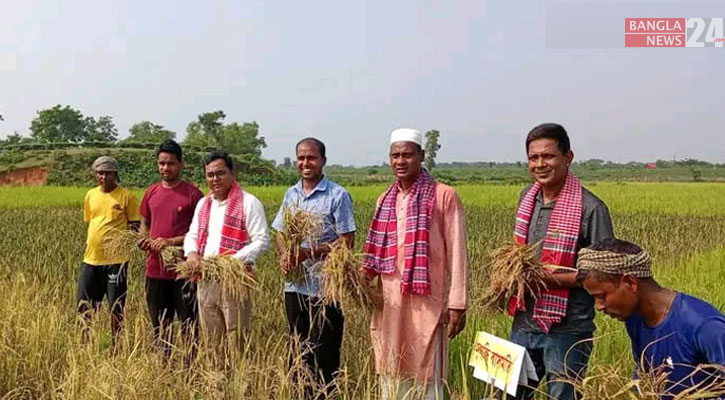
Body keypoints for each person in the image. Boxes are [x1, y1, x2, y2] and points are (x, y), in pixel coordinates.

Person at [508, 123, 614, 400]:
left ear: (568, 158)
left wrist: (545, 278)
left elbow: (603, 275)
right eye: (534, 158)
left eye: (549, 156)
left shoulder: (591, 209)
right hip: (523, 324)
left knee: (563, 397)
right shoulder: (526, 199)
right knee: (508, 395)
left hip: (568, 330)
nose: (540, 164)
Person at [363, 128, 468, 400]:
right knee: (391, 364)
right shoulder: (384, 200)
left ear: (421, 156)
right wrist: (359, 282)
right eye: (395, 155)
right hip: (389, 299)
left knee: (427, 366)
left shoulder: (444, 195)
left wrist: (457, 303)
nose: (401, 161)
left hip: (428, 299)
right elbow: (373, 254)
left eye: (407, 154)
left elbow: (457, 252)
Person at [578, 238, 725, 400]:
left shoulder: (704, 325)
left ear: (630, 282)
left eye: (601, 296)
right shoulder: (635, 320)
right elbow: (643, 378)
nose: (598, 306)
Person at [272, 137, 356, 399]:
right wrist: (286, 253)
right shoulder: (291, 194)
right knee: (299, 349)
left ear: (323, 161)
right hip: (295, 286)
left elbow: (347, 241)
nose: (305, 163)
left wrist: (309, 252)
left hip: (325, 289)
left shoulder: (337, 195)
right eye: (301, 158)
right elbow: (279, 231)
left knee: (324, 352)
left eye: (311, 158)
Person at [183, 151, 270, 353]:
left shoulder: (249, 203)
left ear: (232, 173)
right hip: (206, 278)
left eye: (220, 173)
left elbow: (263, 241)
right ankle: (217, 381)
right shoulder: (204, 204)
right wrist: (192, 254)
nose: (215, 179)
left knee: (237, 336)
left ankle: (240, 382)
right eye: (210, 175)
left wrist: (230, 261)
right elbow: (192, 234)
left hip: (234, 279)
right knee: (212, 340)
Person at [138, 140, 203, 358]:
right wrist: (144, 239)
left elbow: (201, 232)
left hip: (184, 272)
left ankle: (190, 371)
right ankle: (164, 368)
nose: (166, 168)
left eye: (171, 164)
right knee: (160, 325)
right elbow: (144, 222)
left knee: (189, 324)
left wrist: (170, 241)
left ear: (181, 164)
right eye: (162, 163)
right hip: (155, 270)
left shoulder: (193, 195)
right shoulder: (151, 192)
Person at [77, 156, 141, 348]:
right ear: (95, 174)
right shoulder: (90, 195)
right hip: (91, 259)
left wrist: (125, 243)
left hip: (116, 261)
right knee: (84, 305)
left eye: (107, 173)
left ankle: (116, 345)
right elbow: (92, 221)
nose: (103, 176)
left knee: (116, 306)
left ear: (115, 174)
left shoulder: (126, 196)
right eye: (99, 173)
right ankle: (85, 344)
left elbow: (135, 225)